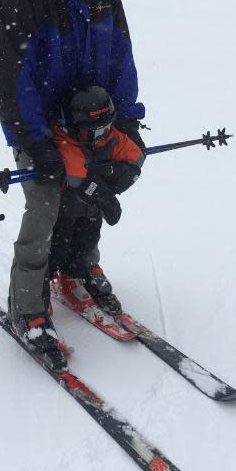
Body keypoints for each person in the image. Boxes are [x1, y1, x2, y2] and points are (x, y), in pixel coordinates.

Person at [0, 0, 145, 370]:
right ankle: (29, 304)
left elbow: (120, 51)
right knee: (46, 202)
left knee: (92, 190)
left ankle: (76, 269)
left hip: (91, 116)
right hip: (40, 122)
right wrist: (35, 141)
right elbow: (9, 78)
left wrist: (128, 120)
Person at [49, 85, 144, 315]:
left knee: (89, 236)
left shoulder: (107, 136)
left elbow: (135, 154)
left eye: (105, 129)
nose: (101, 137)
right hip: (64, 207)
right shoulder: (66, 138)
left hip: (90, 209)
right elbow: (76, 176)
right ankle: (46, 277)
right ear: (76, 127)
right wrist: (105, 196)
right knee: (59, 244)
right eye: (94, 133)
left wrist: (127, 173)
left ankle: (79, 272)